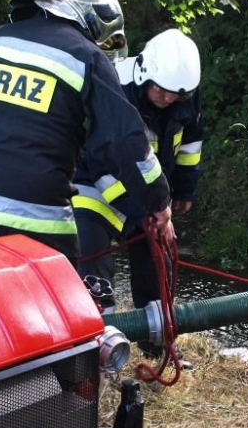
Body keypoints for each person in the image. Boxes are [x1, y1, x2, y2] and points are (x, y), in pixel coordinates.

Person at [0, 0, 172, 265]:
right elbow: (125, 141)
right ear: (96, 27)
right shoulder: (87, 56)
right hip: (29, 218)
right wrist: (158, 202)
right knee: (61, 297)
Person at [72, 29, 204, 359]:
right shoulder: (116, 90)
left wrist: (184, 190)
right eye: (163, 90)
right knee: (93, 270)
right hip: (95, 187)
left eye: (177, 94)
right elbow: (103, 165)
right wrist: (143, 213)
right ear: (145, 74)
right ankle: (96, 354)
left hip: (151, 193)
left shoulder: (182, 91)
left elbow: (190, 143)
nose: (169, 98)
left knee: (159, 268)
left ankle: (156, 345)